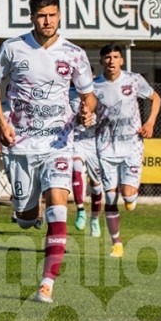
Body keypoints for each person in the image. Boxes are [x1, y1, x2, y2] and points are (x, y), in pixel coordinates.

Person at [0, 0, 96, 304]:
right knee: (25, 216)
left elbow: (88, 96)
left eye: (52, 15)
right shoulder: (12, 48)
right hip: (20, 144)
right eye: (41, 16)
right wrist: (2, 123)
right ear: (32, 17)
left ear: (60, 14)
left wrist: (88, 110)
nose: (47, 21)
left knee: (57, 206)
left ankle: (46, 284)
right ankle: (26, 214)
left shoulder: (74, 54)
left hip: (58, 143)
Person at [93, 43, 161, 258]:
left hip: (131, 145)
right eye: (107, 57)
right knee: (110, 199)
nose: (111, 61)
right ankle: (117, 243)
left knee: (128, 197)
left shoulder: (134, 80)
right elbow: (85, 110)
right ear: (102, 61)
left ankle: (132, 196)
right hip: (105, 147)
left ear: (122, 60)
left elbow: (156, 98)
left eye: (115, 57)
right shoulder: (94, 86)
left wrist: (150, 123)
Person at [69, 82, 104, 237]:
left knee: (96, 185)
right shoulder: (67, 93)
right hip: (76, 140)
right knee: (76, 167)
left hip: (93, 142)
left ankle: (95, 219)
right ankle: (81, 210)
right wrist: (78, 117)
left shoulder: (97, 93)